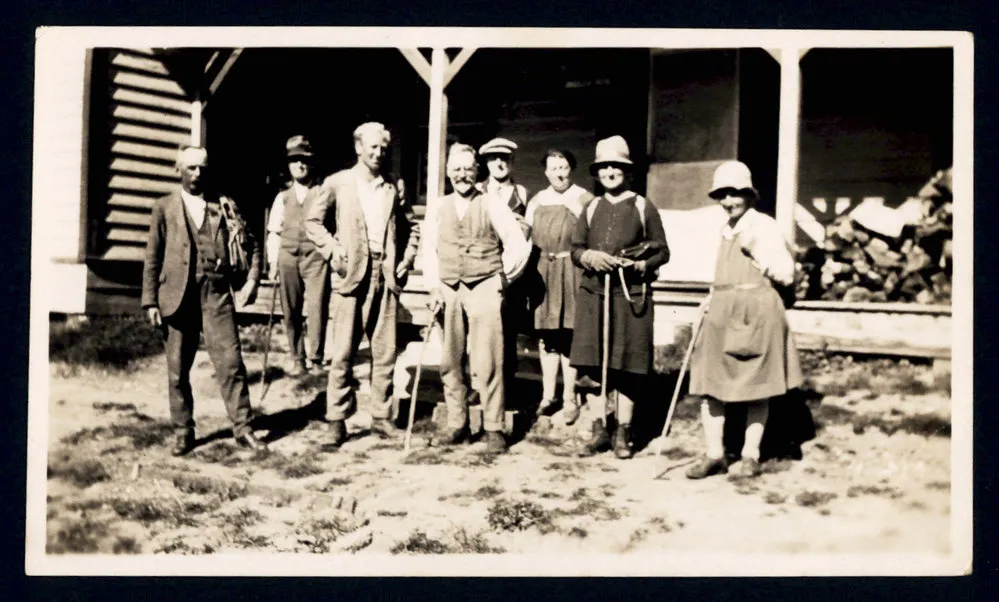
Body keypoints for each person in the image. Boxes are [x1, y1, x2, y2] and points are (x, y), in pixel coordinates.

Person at [141, 146, 267, 456]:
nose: (198, 173)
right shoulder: (164, 208)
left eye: (202, 168)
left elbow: (252, 245)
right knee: (177, 370)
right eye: (191, 168)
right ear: (179, 170)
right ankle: (183, 431)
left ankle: (243, 429)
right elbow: (152, 257)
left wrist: (252, 280)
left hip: (216, 294)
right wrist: (150, 301)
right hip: (177, 297)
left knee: (231, 363)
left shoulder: (224, 206)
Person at [685, 161, 803, 479]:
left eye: (735, 194)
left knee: (757, 385)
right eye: (722, 195)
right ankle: (715, 455)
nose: (728, 201)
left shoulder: (763, 226)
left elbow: (786, 274)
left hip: (757, 310)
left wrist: (756, 251)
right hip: (722, 310)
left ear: (749, 195)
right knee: (710, 384)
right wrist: (709, 300)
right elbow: (724, 274)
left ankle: (750, 455)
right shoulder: (726, 229)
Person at [304, 122, 420, 447]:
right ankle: (336, 420)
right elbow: (313, 222)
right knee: (342, 352)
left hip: (385, 276)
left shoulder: (393, 186)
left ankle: (381, 418)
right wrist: (333, 250)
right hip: (351, 276)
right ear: (358, 148)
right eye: (372, 147)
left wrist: (406, 260)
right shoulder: (338, 183)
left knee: (385, 352)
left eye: (383, 148)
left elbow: (412, 228)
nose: (378, 153)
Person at [422, 143, 533, 453]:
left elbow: (518, 244)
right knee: (450, 359)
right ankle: (457, 422)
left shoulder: (491, 204)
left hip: (484, 284)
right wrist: (432, 287)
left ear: (476, 172)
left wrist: (503, 278)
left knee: (489, 360)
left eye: (468, 169)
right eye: (456, 169)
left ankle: (493, 427)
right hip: (448, 287)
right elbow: (428, 249)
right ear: (448, 173)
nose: (462, 175)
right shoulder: (438, 207)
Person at [569, 135, 670, 459]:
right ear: (597, 172)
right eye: (604, 167)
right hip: (594, 295)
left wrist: (641, 265)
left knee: (628, 364)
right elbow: (575, 249)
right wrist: (589, 257)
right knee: (591, 362)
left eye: (616, 166)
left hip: (630, 296)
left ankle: (623, 432)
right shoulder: (591, 207)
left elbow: (662, 251)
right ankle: (599, 428)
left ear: (627, 171)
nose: (610, 172)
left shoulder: (642, 206)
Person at [525, 149, 594, 425]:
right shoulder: (537, 201)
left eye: (563, 167)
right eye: (553, 168)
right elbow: (524, 236)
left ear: (571, 169)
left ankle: (569, 396)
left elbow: (593, 236)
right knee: (547, 336)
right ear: (546, 172)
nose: (559, 174)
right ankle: (548, 395)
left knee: (568, 334)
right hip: (543, 271)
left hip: (572, 271)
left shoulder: (584, 199)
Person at [265, 135, 331, 376]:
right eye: (294, 160)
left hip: (315, 258)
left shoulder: (323, 193)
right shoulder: (282, 197)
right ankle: (297, 358)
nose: (299, 165)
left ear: (311, 163)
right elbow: (274, 231)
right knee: (290, 309)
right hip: (288, 256)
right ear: (289, 164)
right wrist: (273, 262)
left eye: (304, 160)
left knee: (317, 307)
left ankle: (316, 358)